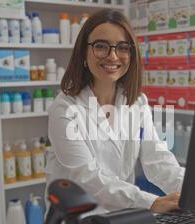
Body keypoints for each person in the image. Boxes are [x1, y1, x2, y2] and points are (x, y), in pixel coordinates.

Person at [46, 9, 184, 213]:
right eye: (101, 46)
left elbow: (158, 159)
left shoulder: (137, 102)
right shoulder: (65, 108)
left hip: (121, 217)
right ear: (83, 52)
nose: (112, 56)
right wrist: (151, 203)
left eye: (122, 47)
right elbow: (87, 178)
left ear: (131, 54)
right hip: (77, 221)